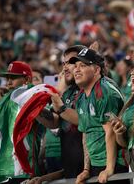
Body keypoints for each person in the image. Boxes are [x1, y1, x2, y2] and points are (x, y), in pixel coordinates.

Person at [50, 47, 129, 184]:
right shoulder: (81, 96)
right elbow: (86, 132)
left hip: (116, 164)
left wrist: (109, 169)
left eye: (83, 65)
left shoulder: (104, 91)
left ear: (97, 70)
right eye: (76, 66)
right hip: (96, 164)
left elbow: (110, 131)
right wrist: (87, 168)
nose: (77, 70)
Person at [28, 45, 85, 184]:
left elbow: (84, 120)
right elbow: (54, 122)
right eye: (64, 63)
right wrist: (33, 108)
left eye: (70, 62)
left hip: (93, 169)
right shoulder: (68, 93)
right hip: (71, 170)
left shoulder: (92, 89)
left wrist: (60, 106)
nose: (65, 67)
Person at [0, 61, 45, 183]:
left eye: (13, 78)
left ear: (27, 79)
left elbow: (14, 120)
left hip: (23, 169)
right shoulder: (5, 99)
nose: (9, 82)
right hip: (3, 168)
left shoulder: (33, 95)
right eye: (7, 78)